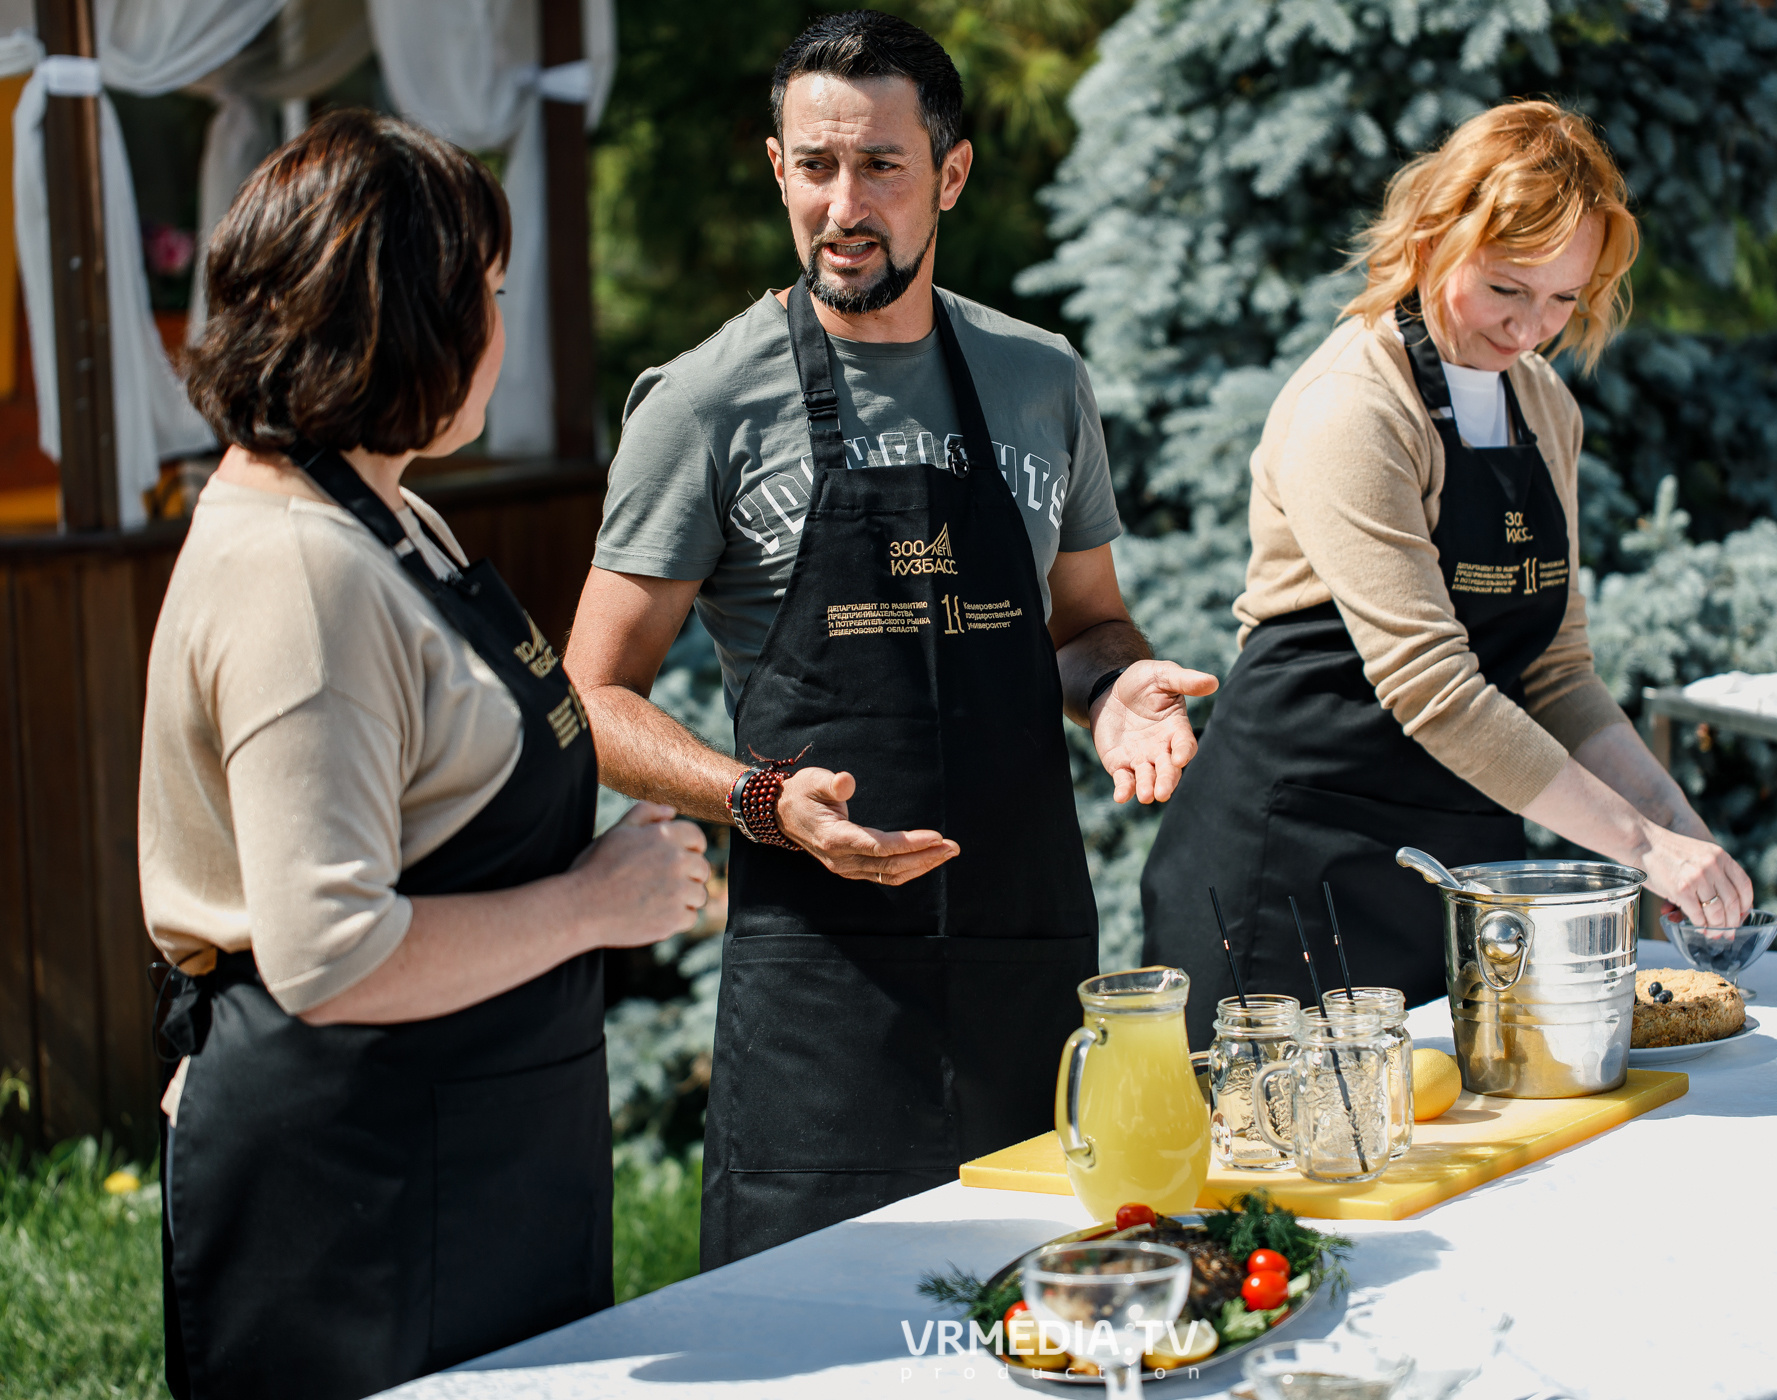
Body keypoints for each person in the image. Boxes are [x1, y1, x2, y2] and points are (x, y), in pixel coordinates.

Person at [566, 9, 1214, 1269]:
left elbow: (1084, 623)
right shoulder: (702, 402)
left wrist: (1122, 686)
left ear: (951, 175)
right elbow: (592, 697)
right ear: (778, 168)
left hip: (1031, 961)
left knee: (1059, 1309)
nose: (842, 203)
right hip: (822, 992)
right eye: (815, 166)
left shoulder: (1041, 380)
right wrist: (756, 798)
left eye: (881, 166)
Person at [143, 111, 711, 1399]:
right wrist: (592, 905)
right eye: (492, 296)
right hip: (362, 1191)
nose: (506, 333)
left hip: (474, 1143)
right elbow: (331, 952)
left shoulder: (391, 510)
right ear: (408, 319)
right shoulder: (300, 569)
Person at [1141, 101, 1753, 1039]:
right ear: (1434, 237)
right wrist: (1639, 852)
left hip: (1454, 872)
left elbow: (1555, 673)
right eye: (1509, 288)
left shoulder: (1543, 405)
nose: (1530, 330)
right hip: (1290, 874)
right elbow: (1434, 689)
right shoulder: (1354, 406)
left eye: (1562, 301)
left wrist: (1680, 832)